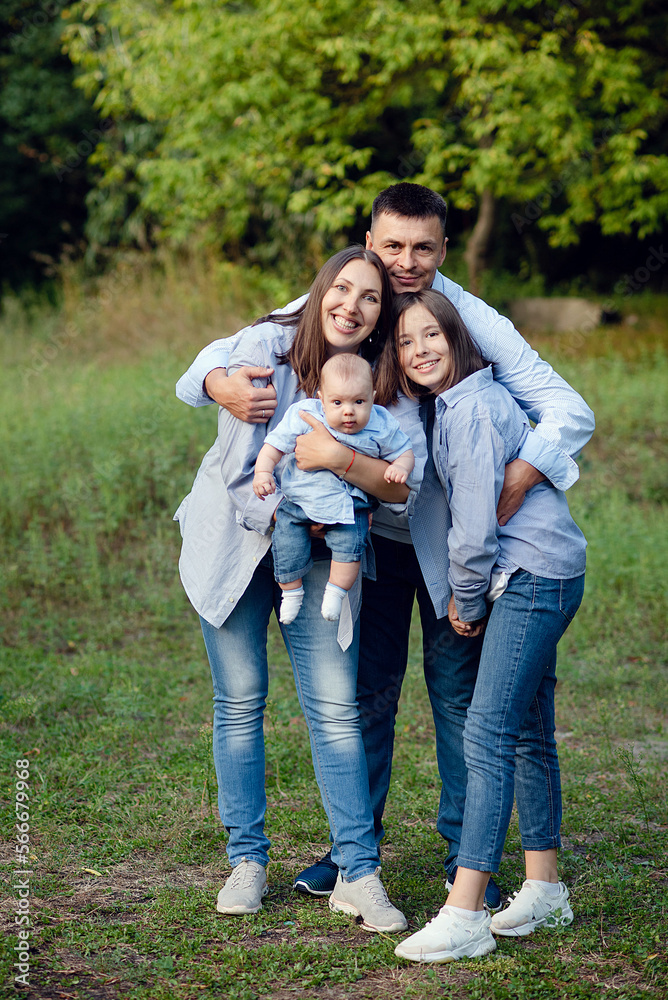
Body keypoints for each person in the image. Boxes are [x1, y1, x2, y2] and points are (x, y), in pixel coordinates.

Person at [176, 183, 595, 903]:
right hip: (365, 536)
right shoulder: (351, 297)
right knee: (365, 694)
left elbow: (568, 407)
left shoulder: (463, 317)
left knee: (457, 694)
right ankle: (352, 853)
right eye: (392, 245)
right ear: (369, 242)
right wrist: (218, 382)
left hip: (450, 540)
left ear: (443, 250)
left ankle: (465, 855)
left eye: (423, 248)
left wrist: (519, 476)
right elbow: (228, 352)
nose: (406, 262)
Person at [175, 246, 413, 934]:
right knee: (239, 701)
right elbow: (220, 430)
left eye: (370, 298)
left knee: (336, 710)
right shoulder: (265, 348)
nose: (352, 306)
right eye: (342, 289)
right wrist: (217, 381)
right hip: (233, 541)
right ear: (319, 291)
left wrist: (344, 470)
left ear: (380, 316)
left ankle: (359, 873)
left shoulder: (378, 384)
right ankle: (246, 860)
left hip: (321, 553)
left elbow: (398, 487)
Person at [376, 290, 586, 963]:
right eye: (405, 342)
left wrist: (463, 602)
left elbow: (472, 533)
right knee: (527, 728)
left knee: (488, 731)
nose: (419, 350)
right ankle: (545, 890)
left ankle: (465, 913)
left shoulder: (468, 410)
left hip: (531, 575)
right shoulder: (459, 402)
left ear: (458, 338)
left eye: (431, 335)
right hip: (549, 569)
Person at [253, 353, 414, 624]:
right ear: (321, 398)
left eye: (359, 402)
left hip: (349, 505)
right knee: (287, 543)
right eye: (337, 402)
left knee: (350, 548)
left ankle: (335, 593)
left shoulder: (381, 423)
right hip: (300, 500)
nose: (348, 411)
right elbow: (274, 445)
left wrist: (401, 466)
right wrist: (263, 472)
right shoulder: (306, 414)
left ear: (372, 398)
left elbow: (404, 450)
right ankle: (291, 593)